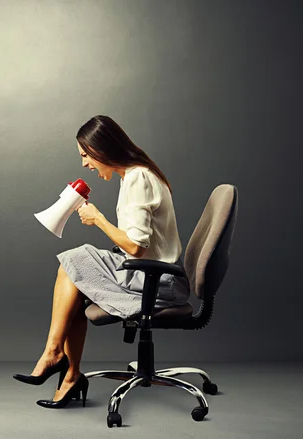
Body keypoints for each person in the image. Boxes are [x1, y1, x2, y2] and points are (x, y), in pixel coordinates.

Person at [13, 115, 190, 409]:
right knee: (74, 272)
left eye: (85, 155)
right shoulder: (134, 176)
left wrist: (99, 220)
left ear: (103, 149)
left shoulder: (138, 178)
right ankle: (67, 372)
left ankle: (58, 358)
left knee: (73, 261)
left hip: (158, 281)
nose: (85, 164)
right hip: (151, 275)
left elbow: (136, 247)